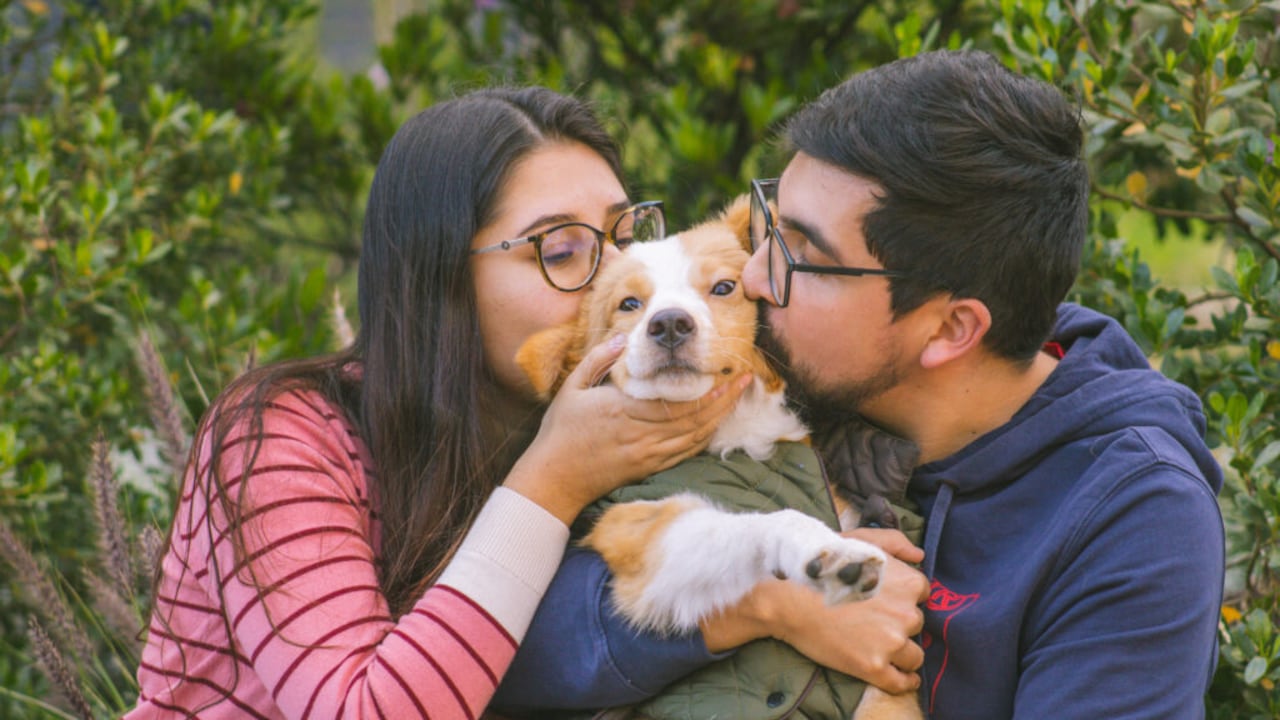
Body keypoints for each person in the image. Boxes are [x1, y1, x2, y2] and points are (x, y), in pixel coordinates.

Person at [494, 50, 1225, 720]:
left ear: (948, 330)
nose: (752, 278)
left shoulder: (1131, 514)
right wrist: (768, 605)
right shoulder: (777, 378)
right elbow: (509, 654)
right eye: (773, 231)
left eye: (802, 255)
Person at [126, 86, 750, 719]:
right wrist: (552, 483)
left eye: (625, 234)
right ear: (442, 278)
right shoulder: (280, 438)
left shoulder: (625, 418)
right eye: (561, 251)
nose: (620, 275)